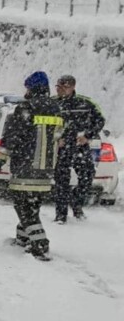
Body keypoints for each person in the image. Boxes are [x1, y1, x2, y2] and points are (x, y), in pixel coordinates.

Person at [0, 71, 64, 259]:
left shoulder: (25, 108)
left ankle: (40, 243)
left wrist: (1, 157)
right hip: (47, 167)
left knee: (22, 205)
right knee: (33, 204)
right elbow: (59, 137)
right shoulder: (56, 108)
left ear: (32, 88)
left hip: (26, 165)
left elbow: (12, 137)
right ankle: (22, 238)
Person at [53, 74, 106, 223]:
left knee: (87, 177)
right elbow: (43, 125)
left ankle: (76, 202)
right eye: (58, 87)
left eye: (64, 87)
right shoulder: (52, 104)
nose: (60, 90)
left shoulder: (85, 103)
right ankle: (61, 215)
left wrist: (87, 136)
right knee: (61, 182)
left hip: (79, 147)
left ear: (72, 87)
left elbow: (100, 120)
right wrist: (56, 139)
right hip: (61, 149)